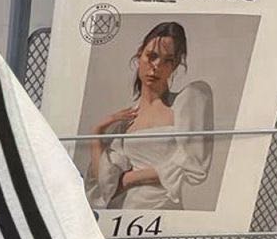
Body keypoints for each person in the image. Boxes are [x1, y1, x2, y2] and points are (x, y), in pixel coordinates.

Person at [85, 21, 214, 212]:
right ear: (139, 56)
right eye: (152, 56)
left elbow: (194, 165)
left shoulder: (188, 100)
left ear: (175, 65)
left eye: (167, 60)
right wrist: (97, 133)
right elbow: (103, 190)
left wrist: (130, 178)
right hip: (123, 214)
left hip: (163, 213)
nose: (156, 66)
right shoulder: (125, 122)